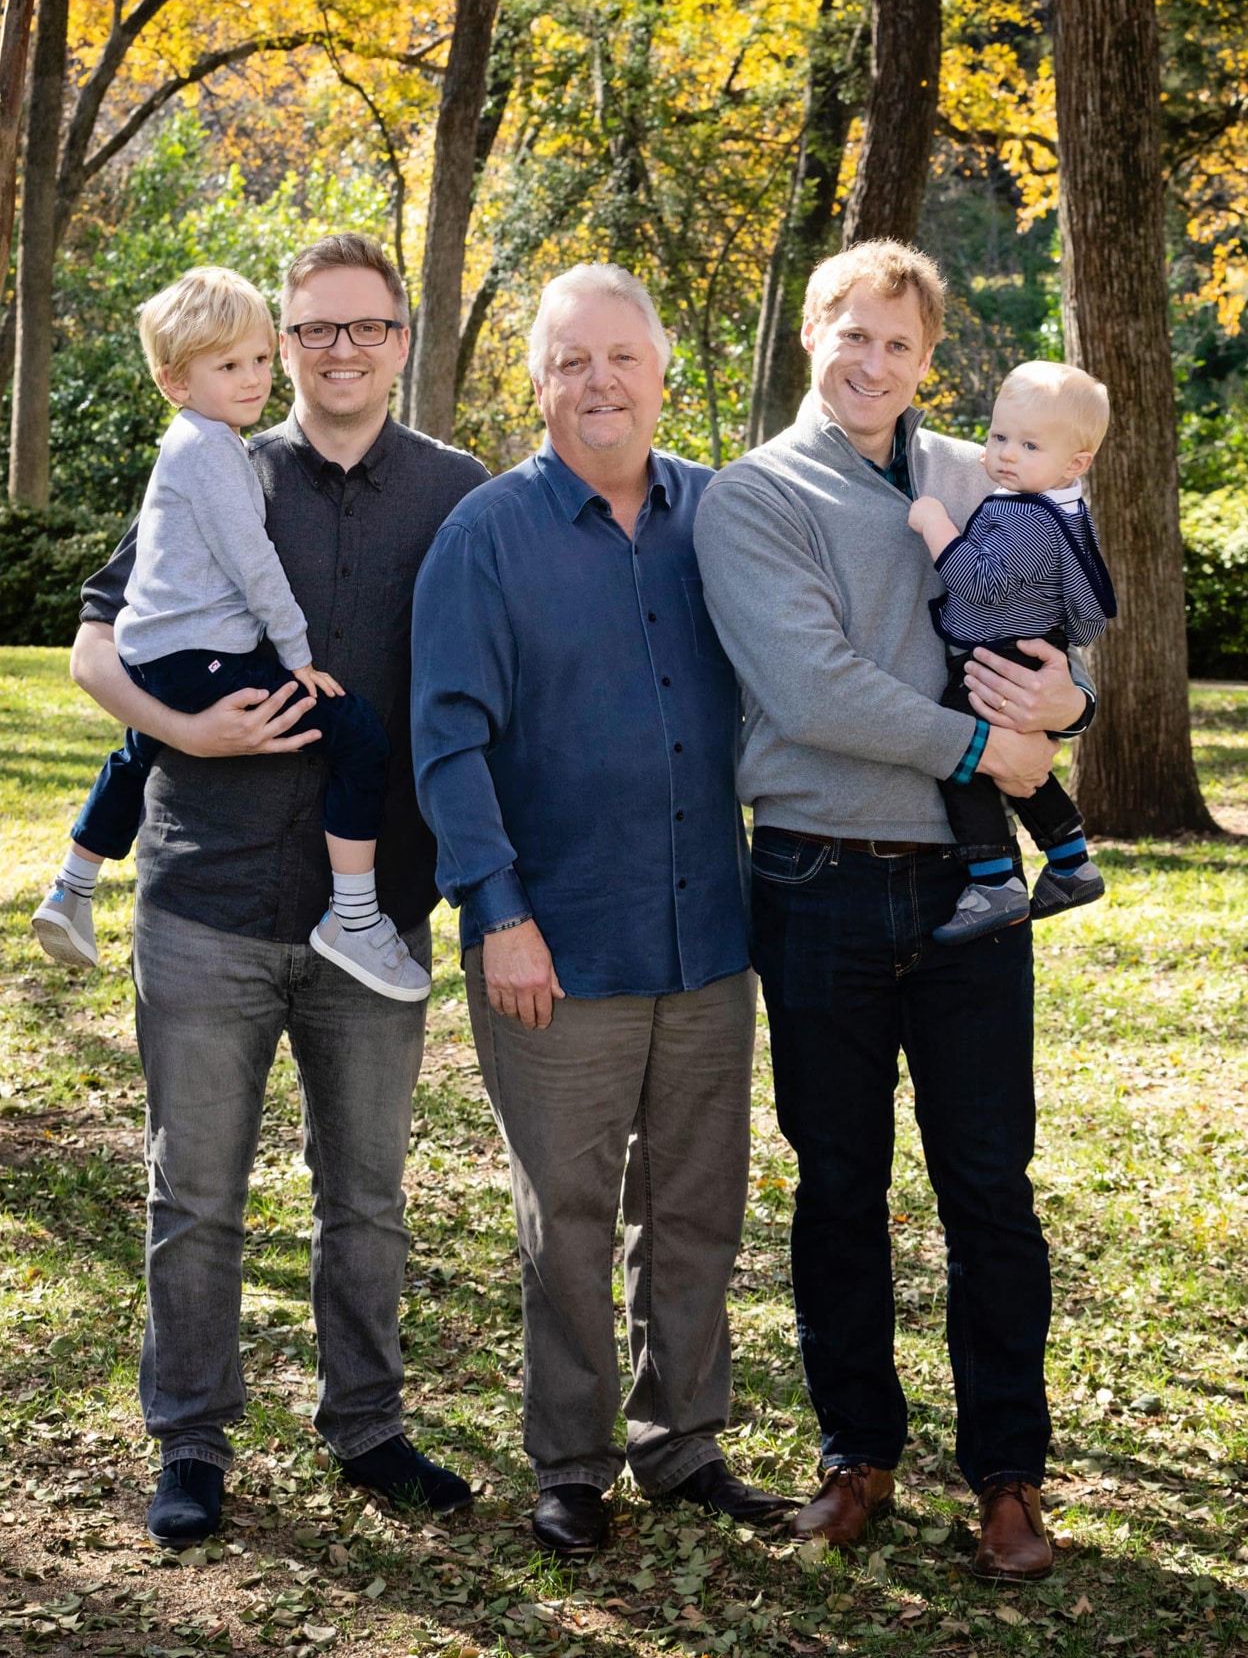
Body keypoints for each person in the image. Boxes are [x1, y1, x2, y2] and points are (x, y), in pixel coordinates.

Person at [68, 233, 487, 1549]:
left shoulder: (462, 494)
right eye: (315, 330)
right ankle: (188, 1440)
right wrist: (182, 733)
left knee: (364, 1197)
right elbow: (93, 644)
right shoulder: (212, 463)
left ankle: (365, 1426)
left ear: (402, 338)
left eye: (367, 326)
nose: (341, 350)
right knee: (194, 1193)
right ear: (283, 341)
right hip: (208, 900)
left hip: (377, 918)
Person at [694, 241, 1097, 1583]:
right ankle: (856, 1454)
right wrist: (989, 753)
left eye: (901, 346)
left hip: (968, 896)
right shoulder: (752, 498)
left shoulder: (969, 474)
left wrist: (1066, 704)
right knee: (839, 1186)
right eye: (850, 335)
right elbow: (809, 692)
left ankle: (1008, 1481)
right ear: (812, 332)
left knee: (988, 1186)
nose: (873, 364)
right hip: (814, 881)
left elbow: (1047, 622)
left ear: (930, 361)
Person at [411, 264, 790, 1558]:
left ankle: (682, 1441)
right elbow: (446, 743)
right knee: (563, 1216)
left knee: (694, 1203)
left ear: (662, 371)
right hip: (553, 946)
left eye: (621, 356)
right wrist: (497, 911)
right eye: (571, 360)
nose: (599, 382)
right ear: (536, 380)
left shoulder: (723, 515)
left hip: (706, 934)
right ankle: (570, 1462)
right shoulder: (486, 535)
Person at [33, 266, 427, 1000]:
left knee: (132, 754)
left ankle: (72, 886)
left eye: (251, 361)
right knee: (356, 733)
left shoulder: (194, 444)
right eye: (229, 366)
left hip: (161, 654)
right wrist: (297, 657)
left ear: (401, 342)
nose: (249, 381)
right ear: (175, 380)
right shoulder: (217, 454)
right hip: (196, 665)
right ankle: (354, 915)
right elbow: (255, 566)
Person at [907, 359, 1117, 944]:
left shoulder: (1027, 518)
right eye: (999, 436)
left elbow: (972, 580)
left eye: (1028, 444)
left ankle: (996, 879)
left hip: (997, 660)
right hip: (1022, 654)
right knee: (1018, 768)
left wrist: (932, 523)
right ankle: (1072, 862)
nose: (1005, 454)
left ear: (1075, 463)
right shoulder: (1061, 511)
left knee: (967, 762)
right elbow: (1081, 608)